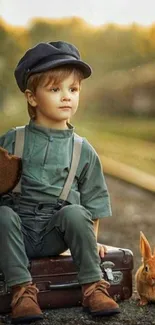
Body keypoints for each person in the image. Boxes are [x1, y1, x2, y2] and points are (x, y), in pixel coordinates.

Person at [0, 41, 120, 324]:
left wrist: (90, 241)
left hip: (56, 233)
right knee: (3, 214)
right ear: (31, 97)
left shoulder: (82, 149)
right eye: (55, 89)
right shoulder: (12, 140)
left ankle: (93, 287)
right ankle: (22, 292)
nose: (66, 97)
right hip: (16, 230)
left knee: (76, 211)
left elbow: (94, 201)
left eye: (73, 89)